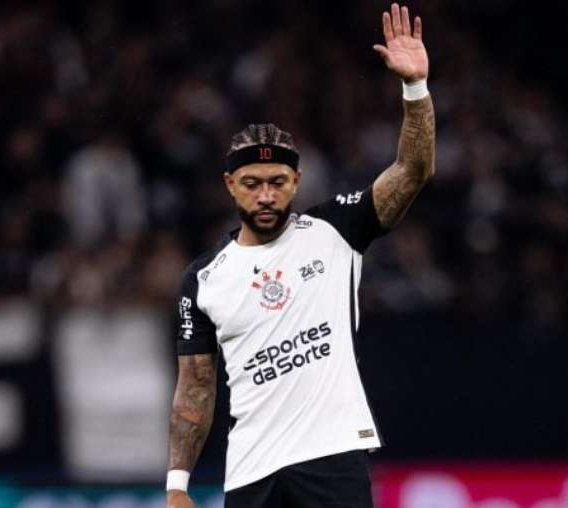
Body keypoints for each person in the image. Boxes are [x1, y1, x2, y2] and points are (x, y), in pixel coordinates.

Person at [166, 4, 435, 507]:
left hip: (332, 458)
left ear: (296, 181)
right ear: (230, 185)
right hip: (250, 473)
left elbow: (412, 170)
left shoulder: (336, 229)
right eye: (252, 183)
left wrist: (415, 88)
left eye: (277, 182)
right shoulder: (202, 279)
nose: (265, 195)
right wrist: (177, 484)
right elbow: (196, 385)